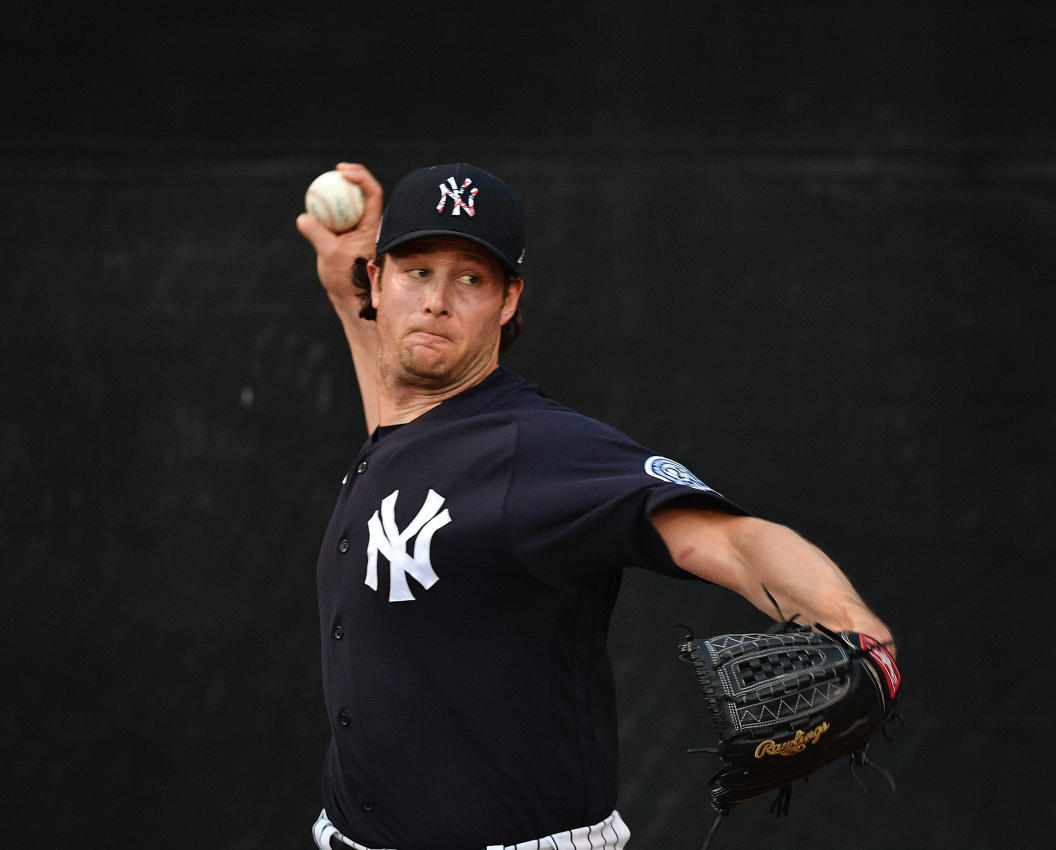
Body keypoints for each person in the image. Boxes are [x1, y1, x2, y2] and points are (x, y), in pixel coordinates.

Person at [295, 162, 895, 850]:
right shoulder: (409, 432)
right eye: (416, 271)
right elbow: (399, 420)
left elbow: (729, 539)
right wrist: (349, 301)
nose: (436, 300)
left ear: (509, 299)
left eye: (470, 279)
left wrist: (854, 629)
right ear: (377, 280)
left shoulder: (537, 447)